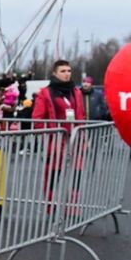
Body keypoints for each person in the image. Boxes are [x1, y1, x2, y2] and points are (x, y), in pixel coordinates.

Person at [32, 60, 85, 205]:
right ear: (55, 73)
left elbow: (81, 114)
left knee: (77, 173)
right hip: (56, 142)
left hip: (75, 139)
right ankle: (50, 204)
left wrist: (83, 135)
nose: (67, 74)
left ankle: (73, 205)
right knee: (53, 174)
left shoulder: (76, 92)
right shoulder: (45, 93)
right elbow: (37, 119)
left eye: (69, 70)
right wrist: (51, 131)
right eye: (63, 71)